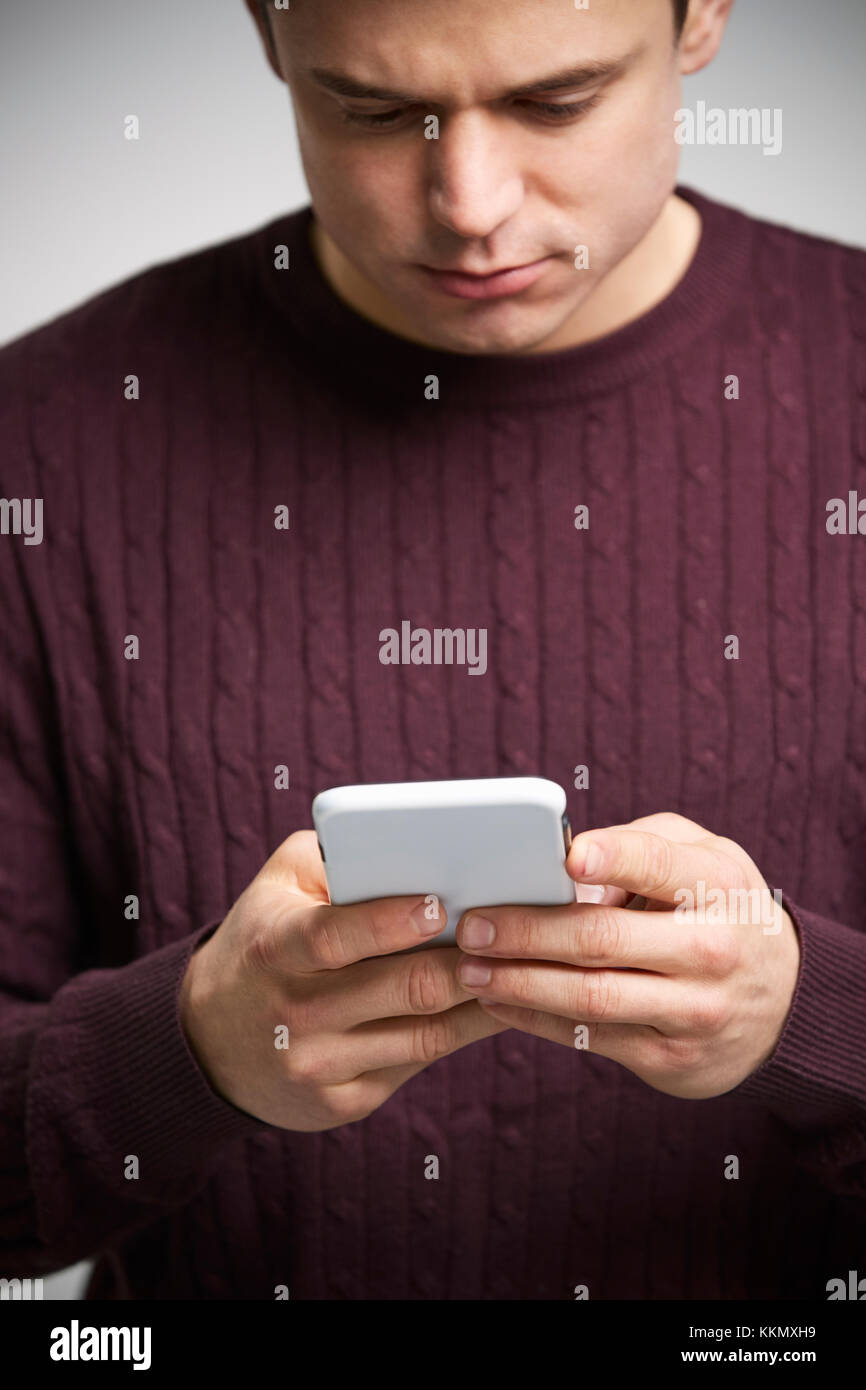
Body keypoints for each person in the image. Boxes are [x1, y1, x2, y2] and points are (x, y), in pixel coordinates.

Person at [1, 0, 864, 1302]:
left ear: (701, 19)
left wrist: (809, 1023)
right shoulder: (39, 445)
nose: (466, 202)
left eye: (553, 101)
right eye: (371, 108)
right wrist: (183, 1055)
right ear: (263, 30)